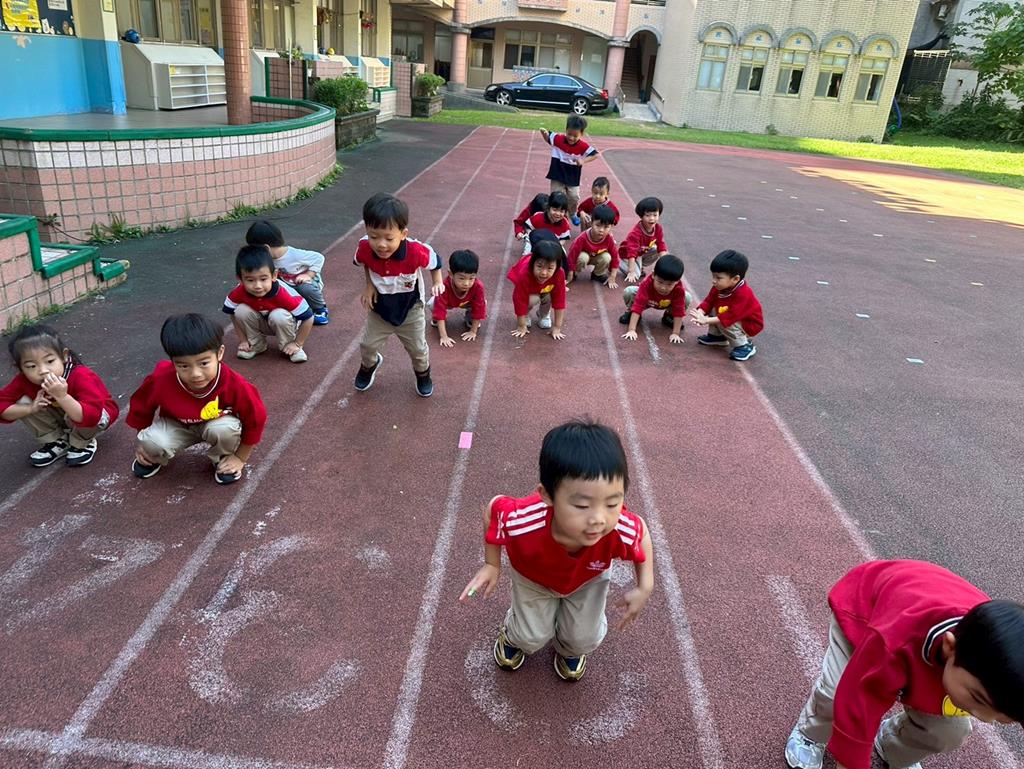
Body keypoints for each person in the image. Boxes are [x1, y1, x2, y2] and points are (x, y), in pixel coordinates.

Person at [459, 420, 654, 682]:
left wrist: (645, 586)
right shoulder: (524, 520)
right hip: (534, 578)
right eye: (582, 506)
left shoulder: (618, 527)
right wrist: (491, 564)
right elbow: (495, 509)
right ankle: (513, 636)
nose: (598, 519)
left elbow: (642, 534)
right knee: (529, 636)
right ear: (547, 496)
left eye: (612, 503)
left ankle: (570, 649)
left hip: (586, 580)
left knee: (583, 638)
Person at [785, 560, 1024, 769]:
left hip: (931, 643)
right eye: (978, 698)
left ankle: (891, 744)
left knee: (950, 731)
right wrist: (850, 761)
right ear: (950, 647)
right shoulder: (896, 642)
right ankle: (810, 733)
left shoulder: (985, 663)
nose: (985, 718)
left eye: (1002, 718)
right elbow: (858, 701)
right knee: (836, 692)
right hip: (864, 618)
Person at [127, 313, 267, 485]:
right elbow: (141, 407)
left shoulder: (235, 384)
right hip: (177, 424)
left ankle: (224, 458)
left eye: (204, 363)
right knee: (151, 442)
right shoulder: (161, 378)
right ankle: (154, 457)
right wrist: (143, 442)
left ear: (220, 353)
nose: (195, 374)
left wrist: (240, 457)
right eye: (183, 366)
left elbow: (255, 419)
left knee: (225, 430)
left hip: (216, 423)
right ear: (172, 361)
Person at [353, 192, 443, 397]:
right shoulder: (364, 247)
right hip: (380, 308)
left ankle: (423, 374)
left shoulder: (415, 251)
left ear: (403, 234)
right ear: (366, 231)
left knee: (418, 350)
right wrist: (369, 285)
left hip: (410, 309)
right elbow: (364, 261)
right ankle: (369, 365)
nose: (381, 244)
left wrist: (437, 282)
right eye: (374, 236)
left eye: (389, 238)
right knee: (367, 345)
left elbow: (436, 262)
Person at [0, 324, 118, 468]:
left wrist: (63, 397)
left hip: (92, 416)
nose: (42, 371)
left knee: (88, 413)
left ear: (64, 356)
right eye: (31, 366)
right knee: (21, 401)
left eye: (50, 361)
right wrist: (31, 408)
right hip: (64, 416)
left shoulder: (81, 375)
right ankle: (57, 441)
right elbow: (2, 404)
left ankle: (82, 441)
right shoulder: (24, 381)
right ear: (19, 367)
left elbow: (92, 416)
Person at [223, 245, 314, 363]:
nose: (257, 286)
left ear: (274, 275)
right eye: (250, 280)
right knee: (240, 310)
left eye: (263, 279)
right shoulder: (238, 292)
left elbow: (309, 318)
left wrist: (298, 343)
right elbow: (232, 314)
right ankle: (256, 344)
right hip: (261, 321)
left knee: (279, 315)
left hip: (286, 323)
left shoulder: (284, 294)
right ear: (240, 279)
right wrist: (243, 340)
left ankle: (290, 347)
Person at [245, 219, 330, 326]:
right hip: (288, 284)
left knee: (304, 288)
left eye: (256, 250)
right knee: (272, 284)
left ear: (266, 248)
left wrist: (309, 275)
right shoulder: (267, 258)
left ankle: (320, 309)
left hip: (305, 283)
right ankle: (289, 310)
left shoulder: (295, 255)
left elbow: (319, 257)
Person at [689, 249, 763, 362]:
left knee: (726, 320)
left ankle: (744, 345)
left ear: (735, 279)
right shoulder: (719, 287)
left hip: (749, 323)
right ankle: (717, 336)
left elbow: (731, 316)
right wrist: (700, 312)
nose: (714, 281)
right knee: (715, 310)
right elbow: (709, 301)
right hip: (731, 316)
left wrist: (706, 320)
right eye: (713, 276)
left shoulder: (743, 293)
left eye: (718, 278)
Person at [619, 254, 693, 345]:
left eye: (669, 284)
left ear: (677, 281)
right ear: (653, 275)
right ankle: (631, 312)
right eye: (660, 282)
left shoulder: (679, 289)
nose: (663, 287)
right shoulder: (646, 284)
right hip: (648, 301)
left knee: (687, 297)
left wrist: (676, 334)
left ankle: (669, 316)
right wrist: (631, 330)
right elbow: (638, 305)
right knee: (629, 291)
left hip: (668, 303)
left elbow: (679, 311)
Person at [539, 115, 599, 226]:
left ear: (581, 134)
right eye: (569, 134)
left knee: (574, 196)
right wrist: (544, 134)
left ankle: (572, 213)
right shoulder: (558, 139)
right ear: (566, 130)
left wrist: (583, 161)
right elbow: (548, 138)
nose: (571, 138)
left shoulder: (582, 146)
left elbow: (595, 155)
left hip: (572, 176)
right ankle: (555, 215)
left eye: (575, 136)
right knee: (556, 195)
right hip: (557, 174)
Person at [507, 240, 567, 341]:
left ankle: (543, 314)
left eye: (550, 268)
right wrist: (521, 325)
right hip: (529, 288)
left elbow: (560, 300)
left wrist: (557, 327)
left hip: (545, 288)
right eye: (539, 266)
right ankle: (526, 314)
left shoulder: (559, 274)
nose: (544, 273)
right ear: (532, 263)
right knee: (532, 299)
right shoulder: (524, 274)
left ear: (556, 267)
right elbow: (519, 300)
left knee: (550, 296)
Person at [430, 249, 487, 348]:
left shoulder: (478, 286)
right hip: (449, 303)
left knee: (483, 303)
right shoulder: (444, 286)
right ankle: (437, 321)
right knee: (432, 303)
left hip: (467, 303)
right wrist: (444, 336)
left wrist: (473, 332)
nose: (466, 283)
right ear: (450, 274)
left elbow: (479, 308)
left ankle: (470, 317)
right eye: (461, 278)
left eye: (471, 278)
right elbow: (440, 309)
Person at [566, 203, 619, 287]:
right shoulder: (582, 238)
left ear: (611, 226)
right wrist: (570, 273)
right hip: (583, 257)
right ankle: (574, 273)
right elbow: (572, 256)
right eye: (598, 225)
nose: (601, 230)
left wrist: (613, 276)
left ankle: (597, 274)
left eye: (606, 227)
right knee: (583, 258)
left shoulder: (609, 239)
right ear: (591, 223)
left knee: (607, 257)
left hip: (597, 257)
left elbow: (615, 257)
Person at [619, 196, 668, 284]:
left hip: (641, 252)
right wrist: (631, 271)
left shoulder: (658, 228)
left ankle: (639, 265)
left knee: (657, 249)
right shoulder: (635, 233)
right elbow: (631, 253)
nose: (652, 218)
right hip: (628, 255)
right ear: (641, 216)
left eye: (655, 215)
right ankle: (618, 263)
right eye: (648, 215)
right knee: (636, 275)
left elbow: (661, 245)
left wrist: (666, 265)